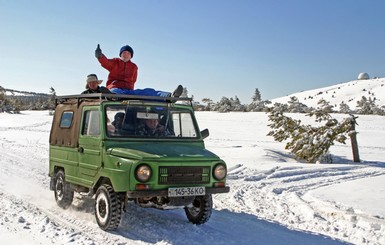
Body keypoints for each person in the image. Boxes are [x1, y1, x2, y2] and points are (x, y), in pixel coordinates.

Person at [95, 44, 183, 97]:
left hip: (129, 91)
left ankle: (169, 96)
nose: (126, 55)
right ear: (120, 54)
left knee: (148, 91)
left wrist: (130, 90)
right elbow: (106, 63)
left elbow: (133, 80)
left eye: (128, 53)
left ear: (131, 56)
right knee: (115, 92)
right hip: (116, 88)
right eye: (124, 53)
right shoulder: (115, 62)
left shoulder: (134, 67)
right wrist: (100, 56)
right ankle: (111, 96)